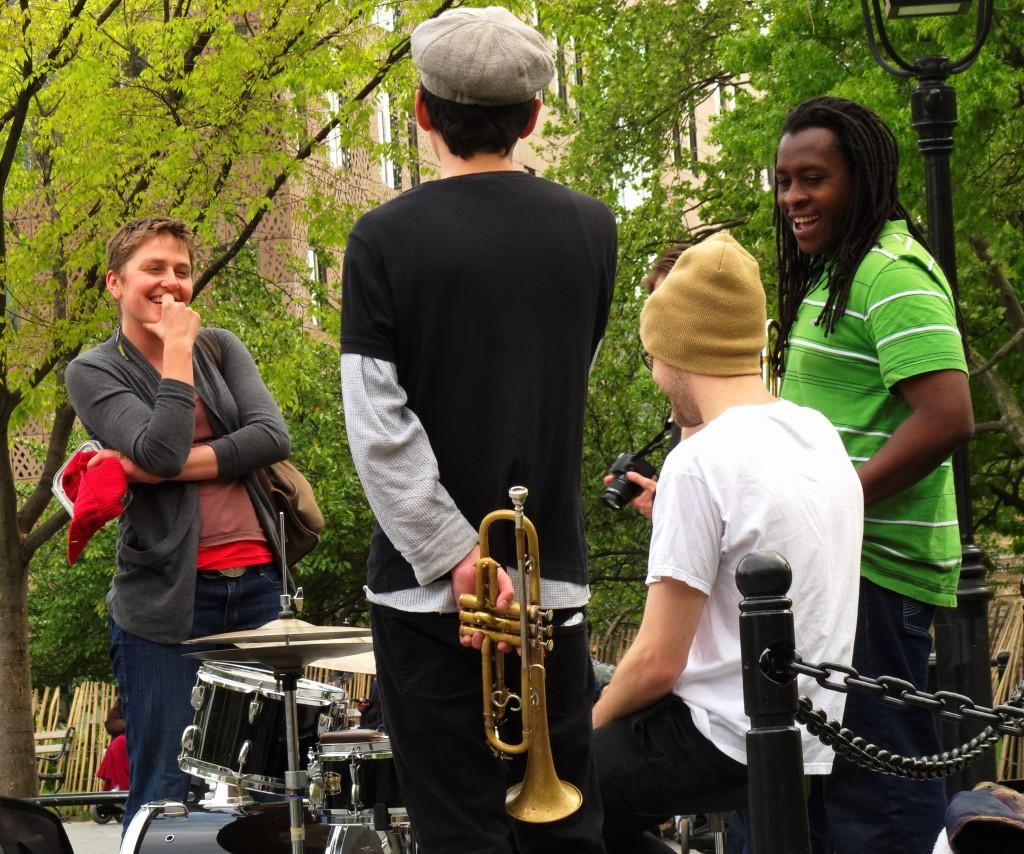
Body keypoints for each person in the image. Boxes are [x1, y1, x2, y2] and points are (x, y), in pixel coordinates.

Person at [340, 7, 616, 852]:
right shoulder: (593, 228)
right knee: (564, 825)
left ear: (421, 111)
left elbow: (377, 423)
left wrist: (458, 555)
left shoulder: (381, 238)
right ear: (533, 117)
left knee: (458, 826)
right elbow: (564, 375)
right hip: (547, 582)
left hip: (427, 592)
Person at [591, 233, 863, 854]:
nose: (657, 376)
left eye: (653, 357)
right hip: (812, 735)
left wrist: (586, 733)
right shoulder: (815, 432)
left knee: (542, 806)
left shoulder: (701, 459)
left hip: (723, 734)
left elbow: (658, 661)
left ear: (676, 346)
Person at [772, 96, 974, 854]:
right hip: (833, 572)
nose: (794, 197)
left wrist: (833, 506)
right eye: (785, 181)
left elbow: (947, 415)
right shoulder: (834, 276)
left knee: (880, 804)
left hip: (877, 579)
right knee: (829, 806)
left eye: (813, 178)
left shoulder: (890, 271)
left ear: (863, 178)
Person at [65, 217, 289, 826]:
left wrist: (151, 472)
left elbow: (271, 436)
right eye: (154, 270)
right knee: (168, 791)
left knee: (269, 792)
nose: (171, 283)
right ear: (116, 283)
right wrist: (177, 352)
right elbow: (161, 445)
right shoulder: (93, 371)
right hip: (166, 605)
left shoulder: (222, 345)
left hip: (260, 590)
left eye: (183, 271)